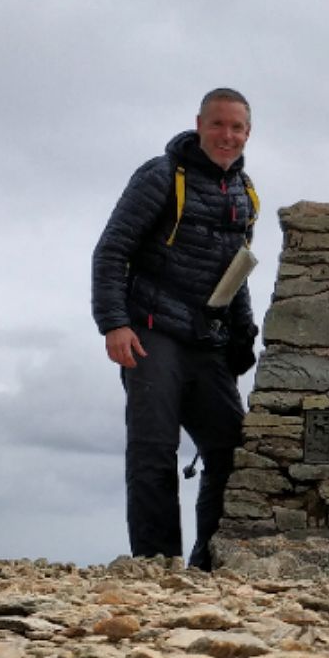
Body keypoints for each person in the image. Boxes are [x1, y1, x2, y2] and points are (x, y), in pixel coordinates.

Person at [91, 88, 259, 570]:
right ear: (199, 124)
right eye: (218, 124)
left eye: (237, 127)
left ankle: (209, 561)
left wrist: (242, 338)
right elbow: (111, 251)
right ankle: (156, 564)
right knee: (154, 449)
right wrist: (114, 324)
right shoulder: (161, 175)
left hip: (208, 339)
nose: (227, 136)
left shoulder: (244, 192)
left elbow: (238, 270)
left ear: (248, 133)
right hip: (150, 330)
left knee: (231, 450)